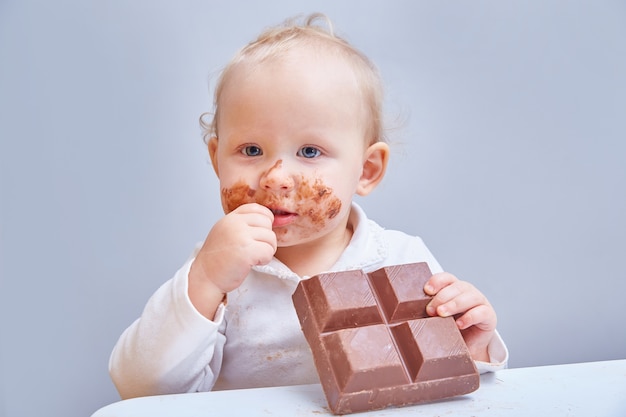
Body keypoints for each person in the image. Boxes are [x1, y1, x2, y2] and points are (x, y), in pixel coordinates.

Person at [109, 13, 508, 399]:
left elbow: (452, 388)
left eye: (310, 151)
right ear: (216, 160)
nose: (276, 177)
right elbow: (140, 388)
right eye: (251, 150)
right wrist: (206, 281)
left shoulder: (402, 260)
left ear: (366, 170)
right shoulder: (219, 272)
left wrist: (475, 347)